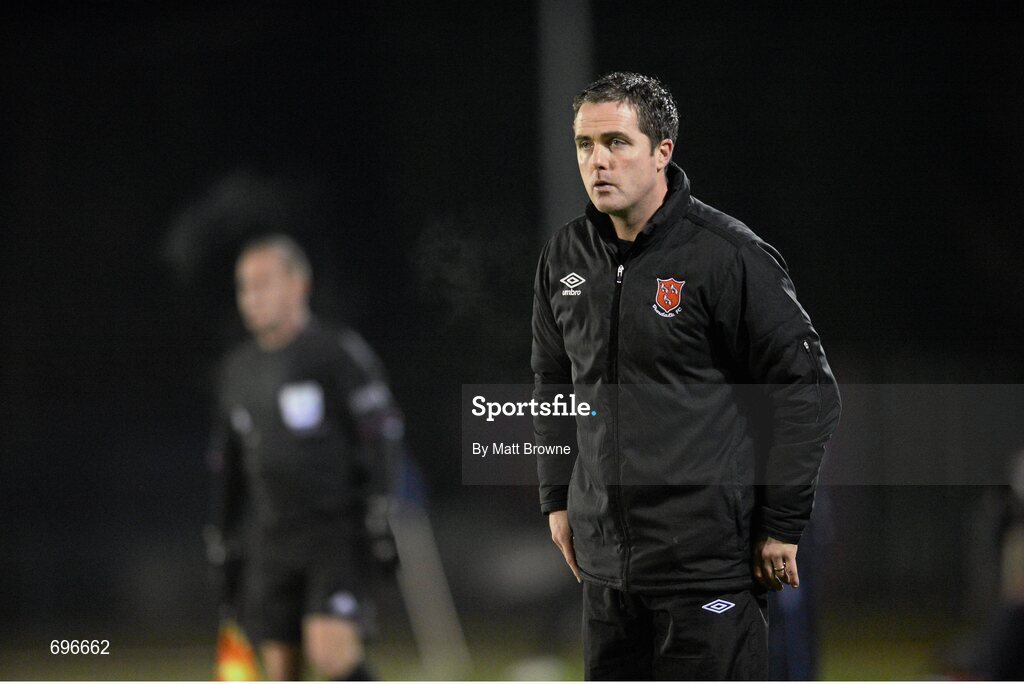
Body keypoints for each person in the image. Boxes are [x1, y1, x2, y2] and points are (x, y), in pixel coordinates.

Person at [532, 72, 841, 680]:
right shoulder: (565, 256)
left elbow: (807, 391)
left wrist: (781, 524)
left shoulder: (726, 255)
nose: (597, 160)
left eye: (617, 142)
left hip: (708, 565)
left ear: (662, 152)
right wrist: (557, 498)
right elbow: (552, 383)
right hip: (608, 570)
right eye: (585, 144)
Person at [206, 234, 403, 680]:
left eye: (263, 283)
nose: (251, 297)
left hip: (333, 533)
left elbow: (381, 432)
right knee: (281, 672)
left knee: (331, 655)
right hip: (270, 539)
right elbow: (227, 462)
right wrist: (222, 533)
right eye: (244, 286)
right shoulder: (237, 370)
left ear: (298, 286)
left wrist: (379, 509)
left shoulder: (335, 354)